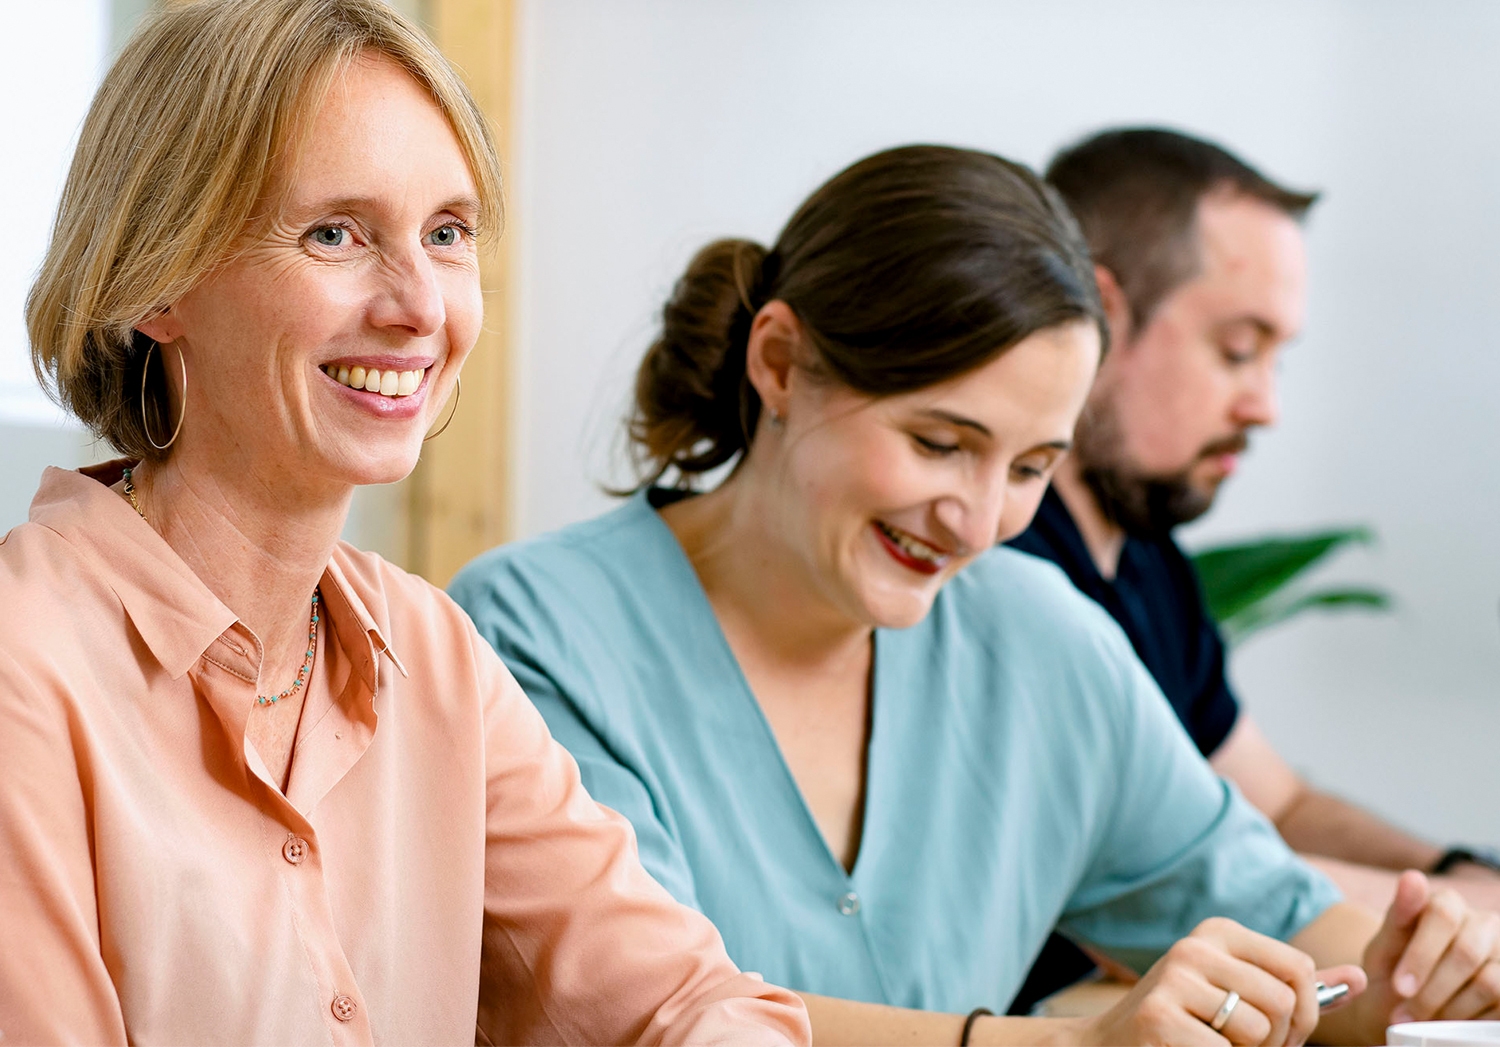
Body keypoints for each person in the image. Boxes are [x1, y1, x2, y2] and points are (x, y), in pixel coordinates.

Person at [452, 144, 1500, 1045]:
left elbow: (1292, 928)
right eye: (939, 444)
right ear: (779, 362)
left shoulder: (1040, 640)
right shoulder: (529, 637)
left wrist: (1422, 978)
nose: (978, 517)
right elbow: (653, 1018)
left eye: (1033, 466)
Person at [0, 2, 810, 1044]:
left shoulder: (434, 654)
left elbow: (681, 1000)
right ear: (160, 279)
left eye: (446, 233)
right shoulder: (25, 670)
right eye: (335, 233)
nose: (421, 306)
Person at [1005, 127, 1500, 1014]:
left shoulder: (1149, 561)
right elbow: (1140, 875)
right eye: (1238, 349)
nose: (1264, 405)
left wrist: (1452, 875)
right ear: (1102, 317)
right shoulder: (1002, 572)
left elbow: (1277, 803)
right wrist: (1444, 923)